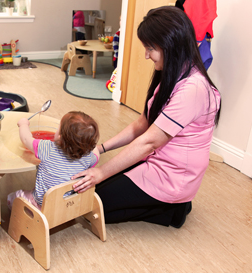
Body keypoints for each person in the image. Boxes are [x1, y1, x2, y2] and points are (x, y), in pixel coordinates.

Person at [71, 6, 221, 228]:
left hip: (173, 176)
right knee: (91, 191)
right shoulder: (173, 73)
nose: (146, 55)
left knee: (92, 205)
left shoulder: (194, 88)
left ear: (172, 45)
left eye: (150, 48)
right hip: (156, 162)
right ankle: (169, 203)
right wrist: (100, 149)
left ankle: (175, 208)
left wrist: (101, 172)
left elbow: (149, 142)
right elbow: (142, 123)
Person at [7, 111, 100, 210]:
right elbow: (97, 154)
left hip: (41, 206)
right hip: (69, 205)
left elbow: (26, 139)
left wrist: (23, 124)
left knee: (14, 197)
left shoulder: (48, 148)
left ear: (60, 137)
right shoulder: (88, 157)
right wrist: (89, 143)